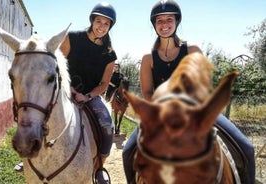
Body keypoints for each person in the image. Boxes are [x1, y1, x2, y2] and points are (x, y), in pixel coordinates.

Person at [122, 0, 255, 184]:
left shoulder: (192, 50)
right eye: (159, 21)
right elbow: (147, 93)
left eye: (169, 19)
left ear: (177, 22)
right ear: (154, 25)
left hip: (195, 113)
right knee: (128, 152)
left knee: (246, 148)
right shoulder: (148, 58)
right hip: (160, 116)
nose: (164, 24)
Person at [59, 2, 117, 183]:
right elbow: (57, 65)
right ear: (92, 21)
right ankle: (30, 156)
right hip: (64, 89)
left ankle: (99, 166)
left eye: (106, 24)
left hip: (89, 96)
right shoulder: (72, 38)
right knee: (40, 111)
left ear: (110, 27)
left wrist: (87, 96)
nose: (102, 26)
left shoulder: (109, 54)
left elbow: (104, 84)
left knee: (107, 125)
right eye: (99, 21)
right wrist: (69, 88)